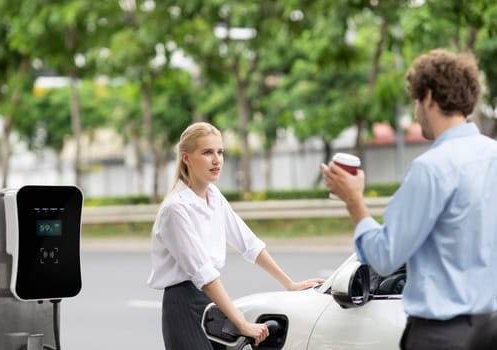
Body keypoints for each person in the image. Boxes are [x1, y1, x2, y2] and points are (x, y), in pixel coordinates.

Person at [321, 48, 497, 350]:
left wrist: (354, 201)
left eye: (415, 102)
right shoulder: (493, 154)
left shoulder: (431, 168)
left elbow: (385, 258)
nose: (416, 113)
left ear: (428, 97)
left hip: (440, 336)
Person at [148, 122, 323, 350]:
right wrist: (242, 324)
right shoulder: (175, 209)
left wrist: (289, 283)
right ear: (186, 158)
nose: (217, 160)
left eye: (220, 152)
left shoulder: (214, 196)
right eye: (207, 152)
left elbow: (249, 244)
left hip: (211, 302)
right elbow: (204, 274)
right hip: (183, 303)